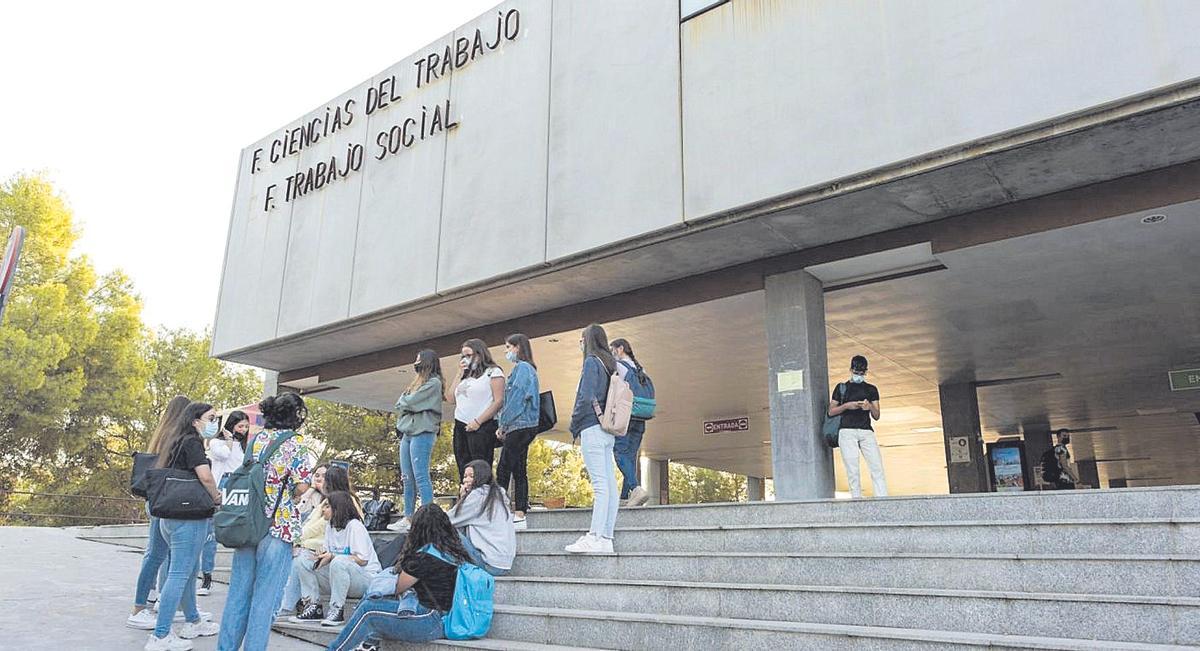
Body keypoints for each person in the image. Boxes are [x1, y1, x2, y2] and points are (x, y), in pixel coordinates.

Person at [217, 392, 315, 651]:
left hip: (248, 522)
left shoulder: (256, 439)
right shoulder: (295, 443)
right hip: (278, 525)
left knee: (238, 593)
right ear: (295, 416)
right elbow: (303, 485)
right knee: (265, 599)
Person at [324, 503, 474, 651]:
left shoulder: (423, 557)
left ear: (418, 528)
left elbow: (398, 587)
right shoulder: (452, 552)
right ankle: (368, 645)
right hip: (444, 617)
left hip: (429, 621)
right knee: (376, 606)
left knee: (368, 610)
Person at [145, 401, 224, 651]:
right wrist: (217, 497)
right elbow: (205, 476)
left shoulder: (175, 441)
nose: (215, 423)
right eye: (211, 418)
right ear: (195, 420)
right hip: (189, 518)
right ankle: (160, 635)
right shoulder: (192, 443)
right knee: (179, 574)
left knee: (189, 572)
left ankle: (193, 620)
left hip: (170, 516)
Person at [128, 395, 197, 630]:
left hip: (155, 500)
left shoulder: (161, 433)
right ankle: (144, 607)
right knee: (161, 556)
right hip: (167, 501)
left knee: (156, 555)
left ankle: (146, 606)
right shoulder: (178, 437)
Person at [291, 491, 383, 626]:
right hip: (340, 578)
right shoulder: (330, 526)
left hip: (365, 580)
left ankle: (336, 609)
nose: (322, 509)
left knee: (339, 561)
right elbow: (329, 555)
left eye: (327, 506)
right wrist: (320, 556)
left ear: (338, 508)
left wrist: (333, 556)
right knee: (302, 560)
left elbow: (362, 560)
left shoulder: (355, 526)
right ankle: (313, 606)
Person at [565, 324, 619, 554]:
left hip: (591, 426)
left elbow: (585, 396)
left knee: (600, 485)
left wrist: (574, 423)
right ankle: (606, 536)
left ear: (588, 340)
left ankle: (594, 536)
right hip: (608, 429)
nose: (580, 343)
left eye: (581, 339)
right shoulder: (609, 363)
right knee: (609, 483)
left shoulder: (591, 362)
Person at [389, 349, 444, 532]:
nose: (416, 363)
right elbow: (402, 402)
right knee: (407, 477)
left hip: (423, 432)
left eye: (419, 360)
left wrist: (408, 401)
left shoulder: (434, 383)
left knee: (421, 476)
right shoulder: (417, 382)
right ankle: (408, 516)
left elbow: (409, 402)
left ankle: (428, 518)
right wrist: (407, 401)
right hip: (408, 433)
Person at [198, 410, 250, 597]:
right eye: (240, 426)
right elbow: (223, 454)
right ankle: (207, 575)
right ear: (231, 426)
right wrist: (228, 440)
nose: (243, 430)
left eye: (245, 426)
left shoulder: (246, 446)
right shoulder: (216, 442)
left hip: (240, 486)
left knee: (239, 530)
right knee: (211, 533)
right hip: (222, 484)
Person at [495, 334, 540, 530]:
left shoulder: (522, 369)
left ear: (518, 347)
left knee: (504, 468)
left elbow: (517, 399)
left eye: (508, 347)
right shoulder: (527, 369)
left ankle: (499, 511)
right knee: (518, 468)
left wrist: (503, 424)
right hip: (524, 424)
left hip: (519, 424)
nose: (507, 351)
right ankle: (519, 512)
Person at [828, 355, 888, 498]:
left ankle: (882, 498)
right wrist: (848, 406)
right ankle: (856, 499)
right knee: (852, 469)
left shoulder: (871, 389)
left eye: (862, 373)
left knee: (877, 467)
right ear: (850, 370)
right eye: (856, 373)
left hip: (866, 431)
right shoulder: (841, 388)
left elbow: (877, 415)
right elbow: (831, 411)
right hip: (847, 431)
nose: (859, 376)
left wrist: (869, 408)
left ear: (866, 372)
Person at [449, 338, 505, 479]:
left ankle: (484, 497)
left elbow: (498, 401)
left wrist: (478, 421)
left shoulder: (493, 372)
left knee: (480, 468)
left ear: (480, 354)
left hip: (481, 426)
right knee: (463, 467)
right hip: (460, 424)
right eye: (463, 356)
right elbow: (450, 398)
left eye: (469, 355)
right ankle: (466, 496)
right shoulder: (465, 376)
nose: (465, 359)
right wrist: (458, 374)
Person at [450, 459, 515, 576]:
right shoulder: (497, 495)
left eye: (471, 476)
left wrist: (463, 497)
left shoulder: (478, 495)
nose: (466, 480)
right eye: (465, 476)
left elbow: (447, 520)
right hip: (503, 565)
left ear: (481, 477)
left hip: (488, 564)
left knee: (441, 528)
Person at [280, 463, 328, 617]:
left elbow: (318, 529)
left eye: (324, 476)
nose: (320, 479)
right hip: (304, 541)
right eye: (317, 475)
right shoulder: (312, 496)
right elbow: (297, 514)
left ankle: (287, 607)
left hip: (320, 545)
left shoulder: (333, 501)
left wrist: (298, 542)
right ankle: (284, 604)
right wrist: (309, 492)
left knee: (299, 557)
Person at [610, 338, 652, 507]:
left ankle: (635, 488)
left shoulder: (619, 366)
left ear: (620, 349)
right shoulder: (642, 369)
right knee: (630, 456)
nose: (611, 353)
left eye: (612, 350)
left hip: (626, 415)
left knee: (619, 452)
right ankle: (625, 497)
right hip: (641, 416)